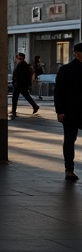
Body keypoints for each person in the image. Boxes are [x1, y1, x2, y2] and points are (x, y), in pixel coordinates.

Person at [54, 41, 82, 181]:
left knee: (70, 140)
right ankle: (69, 169)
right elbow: (58, 92)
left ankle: (69, 169)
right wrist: (60, 111)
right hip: (70, 111)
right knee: (70, 140)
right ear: (75, 53)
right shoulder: (65, 70)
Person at [10, 52, 39, 118]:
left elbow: (21, 75)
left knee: (15, 97)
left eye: (18, 57)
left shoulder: (22, 65)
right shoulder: (22, 64)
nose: (16, 58)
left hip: (20, 84)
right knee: (26, 96)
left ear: (20, 58)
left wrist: (15, 81)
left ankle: (14, 111)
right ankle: (35, 106)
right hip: (21, 84)